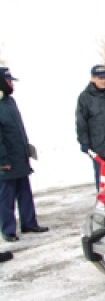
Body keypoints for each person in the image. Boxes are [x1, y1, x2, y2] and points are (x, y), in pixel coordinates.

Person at [0, 67, 49, 242]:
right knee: (6, 197)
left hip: (19, 157)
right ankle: (8, 229)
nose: (11, 84)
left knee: (25, 192)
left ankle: (29, 223)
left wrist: (26, 147)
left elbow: (16, 129)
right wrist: (2, 160)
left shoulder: (9, 101)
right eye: (8, 81)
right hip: (6, 161)